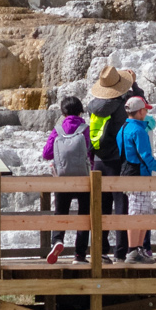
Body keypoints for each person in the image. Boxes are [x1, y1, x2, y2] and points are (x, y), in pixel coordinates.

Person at [111, 94, 156, 260]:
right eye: (145, 110)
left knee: (142, 212)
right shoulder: (139, 130)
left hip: (127, 172)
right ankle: (133, 250)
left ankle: (138, 249)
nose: (146, 113)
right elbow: (146, 157)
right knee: (138, 213)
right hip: (139, 175)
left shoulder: (123, 129)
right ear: (140, 111)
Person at [44, 104, 95, 262]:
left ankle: (57, 240)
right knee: (84, 215)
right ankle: (80, 255)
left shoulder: (58, 129)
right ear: (80, 111)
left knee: (60, 212)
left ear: (63, 113)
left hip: (63, 178)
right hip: (83, 178)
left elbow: (46, 153)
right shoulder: (85, 128)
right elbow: (91, 151)